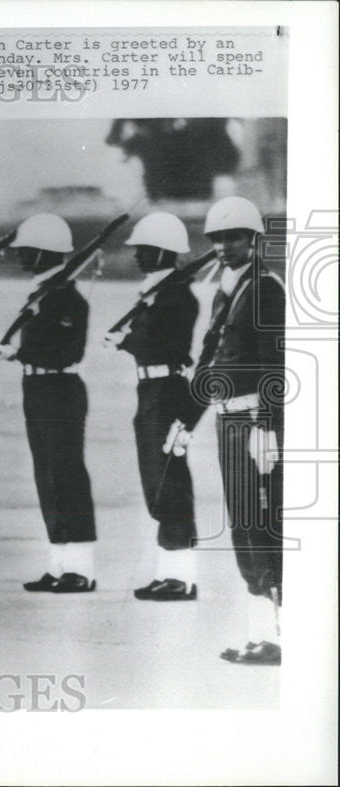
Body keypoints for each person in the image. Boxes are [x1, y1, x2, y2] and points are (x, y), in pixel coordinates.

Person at [167, 196, 285, 664]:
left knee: (262, 526)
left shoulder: (265, 289)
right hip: (229, 420)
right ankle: (262, 634)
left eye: (233, 238)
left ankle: (278, 637)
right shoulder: (227, 289)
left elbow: (278, 364)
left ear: (254, 240)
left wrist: (270, 428)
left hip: (255, 421)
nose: (223, 247)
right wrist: (186, 419)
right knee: (243, 525)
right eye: (217, 239)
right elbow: (210, 363)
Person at [0, 213, 97, 593]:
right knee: (47, 477)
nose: (20, 257)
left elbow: (65, 353)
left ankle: (81, 569)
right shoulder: (43, 295)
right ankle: (59, 565)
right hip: (37, 391)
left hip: (60, 389)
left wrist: (17, 355)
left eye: (27, 251)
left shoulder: (67, 299)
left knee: (67, 476)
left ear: (45, 254)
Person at [104, 213, 200, 600]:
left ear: (164, 251)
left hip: (166, 389)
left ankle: (180, 577)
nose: (138, 256)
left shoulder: (177, 295)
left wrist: (126, 342)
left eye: (145, 250)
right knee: (156, 482)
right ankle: (170, 571)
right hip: (151, 390)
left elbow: (169, 347)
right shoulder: (158, 293)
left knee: (169, 483)